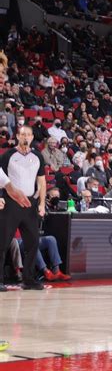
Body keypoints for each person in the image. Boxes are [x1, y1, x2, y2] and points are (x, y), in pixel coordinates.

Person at [0, 125, 46, 291]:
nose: (25, 137)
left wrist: (41, 203)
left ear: (32, 137)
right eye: (22, 134)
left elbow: (41, 182)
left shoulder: (38, 156)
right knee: (3, 242)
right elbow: (0, 177)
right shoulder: (8, 156)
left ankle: (29, 279)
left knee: (33, 242)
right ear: (17, 137)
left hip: (30, 204)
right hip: (11, 203)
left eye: (28, 134)